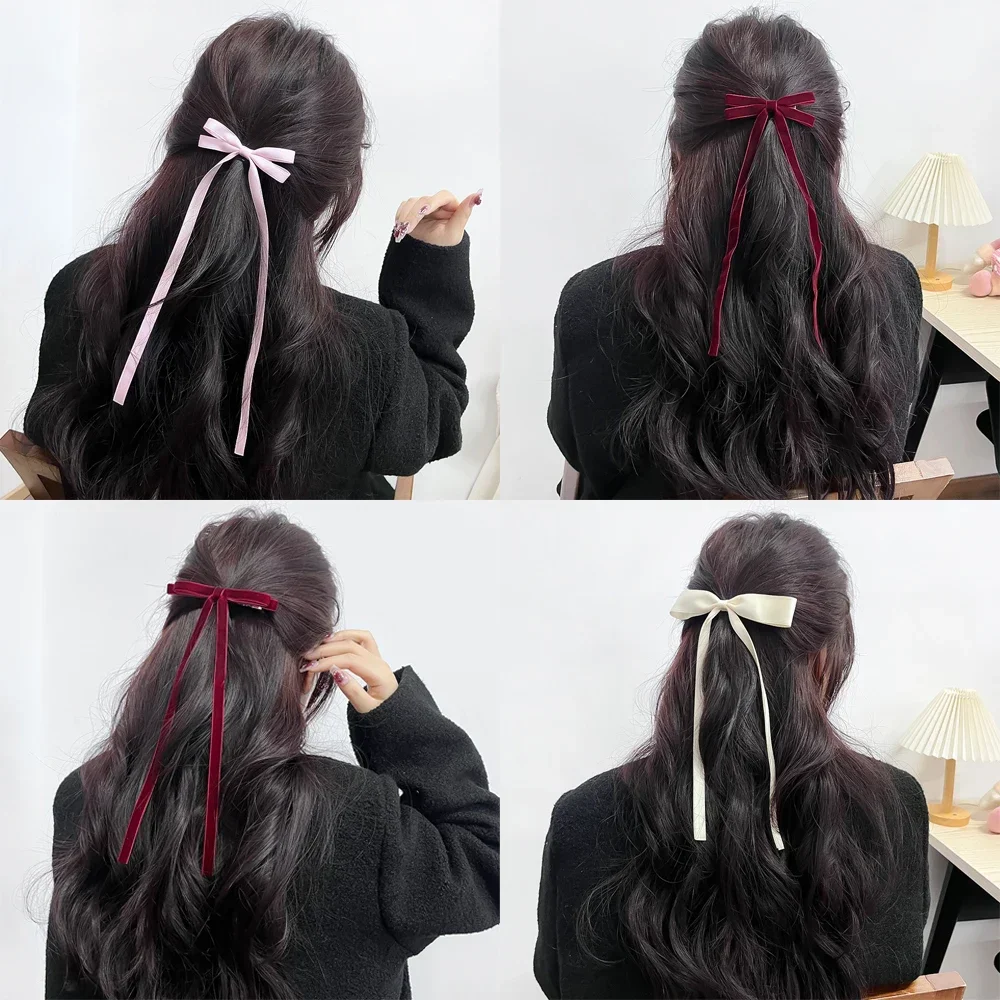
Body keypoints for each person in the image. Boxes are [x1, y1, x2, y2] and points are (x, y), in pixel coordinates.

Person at [46, 511, 499, 999]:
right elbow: (486, 863)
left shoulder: (85, 795)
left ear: (179, 637)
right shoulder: (360, 815)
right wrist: (398, 718)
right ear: (312, 663)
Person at [25, 15, 480, 499]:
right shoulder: (368, 353)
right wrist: (427, 262)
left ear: (183, 133)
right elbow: (437, 419)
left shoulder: (81, 289)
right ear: (337, 184)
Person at [535, 513, 928, 999]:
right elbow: (900, 964)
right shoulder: (895, 804)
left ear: (692, 641)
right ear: (826, 655)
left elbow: (558, 981)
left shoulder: (584, 818)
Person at [548, 11, 921, 500]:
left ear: (678, 152)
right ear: (833, 151)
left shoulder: (593, 304)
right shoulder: (894, 285)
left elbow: (579, 457)